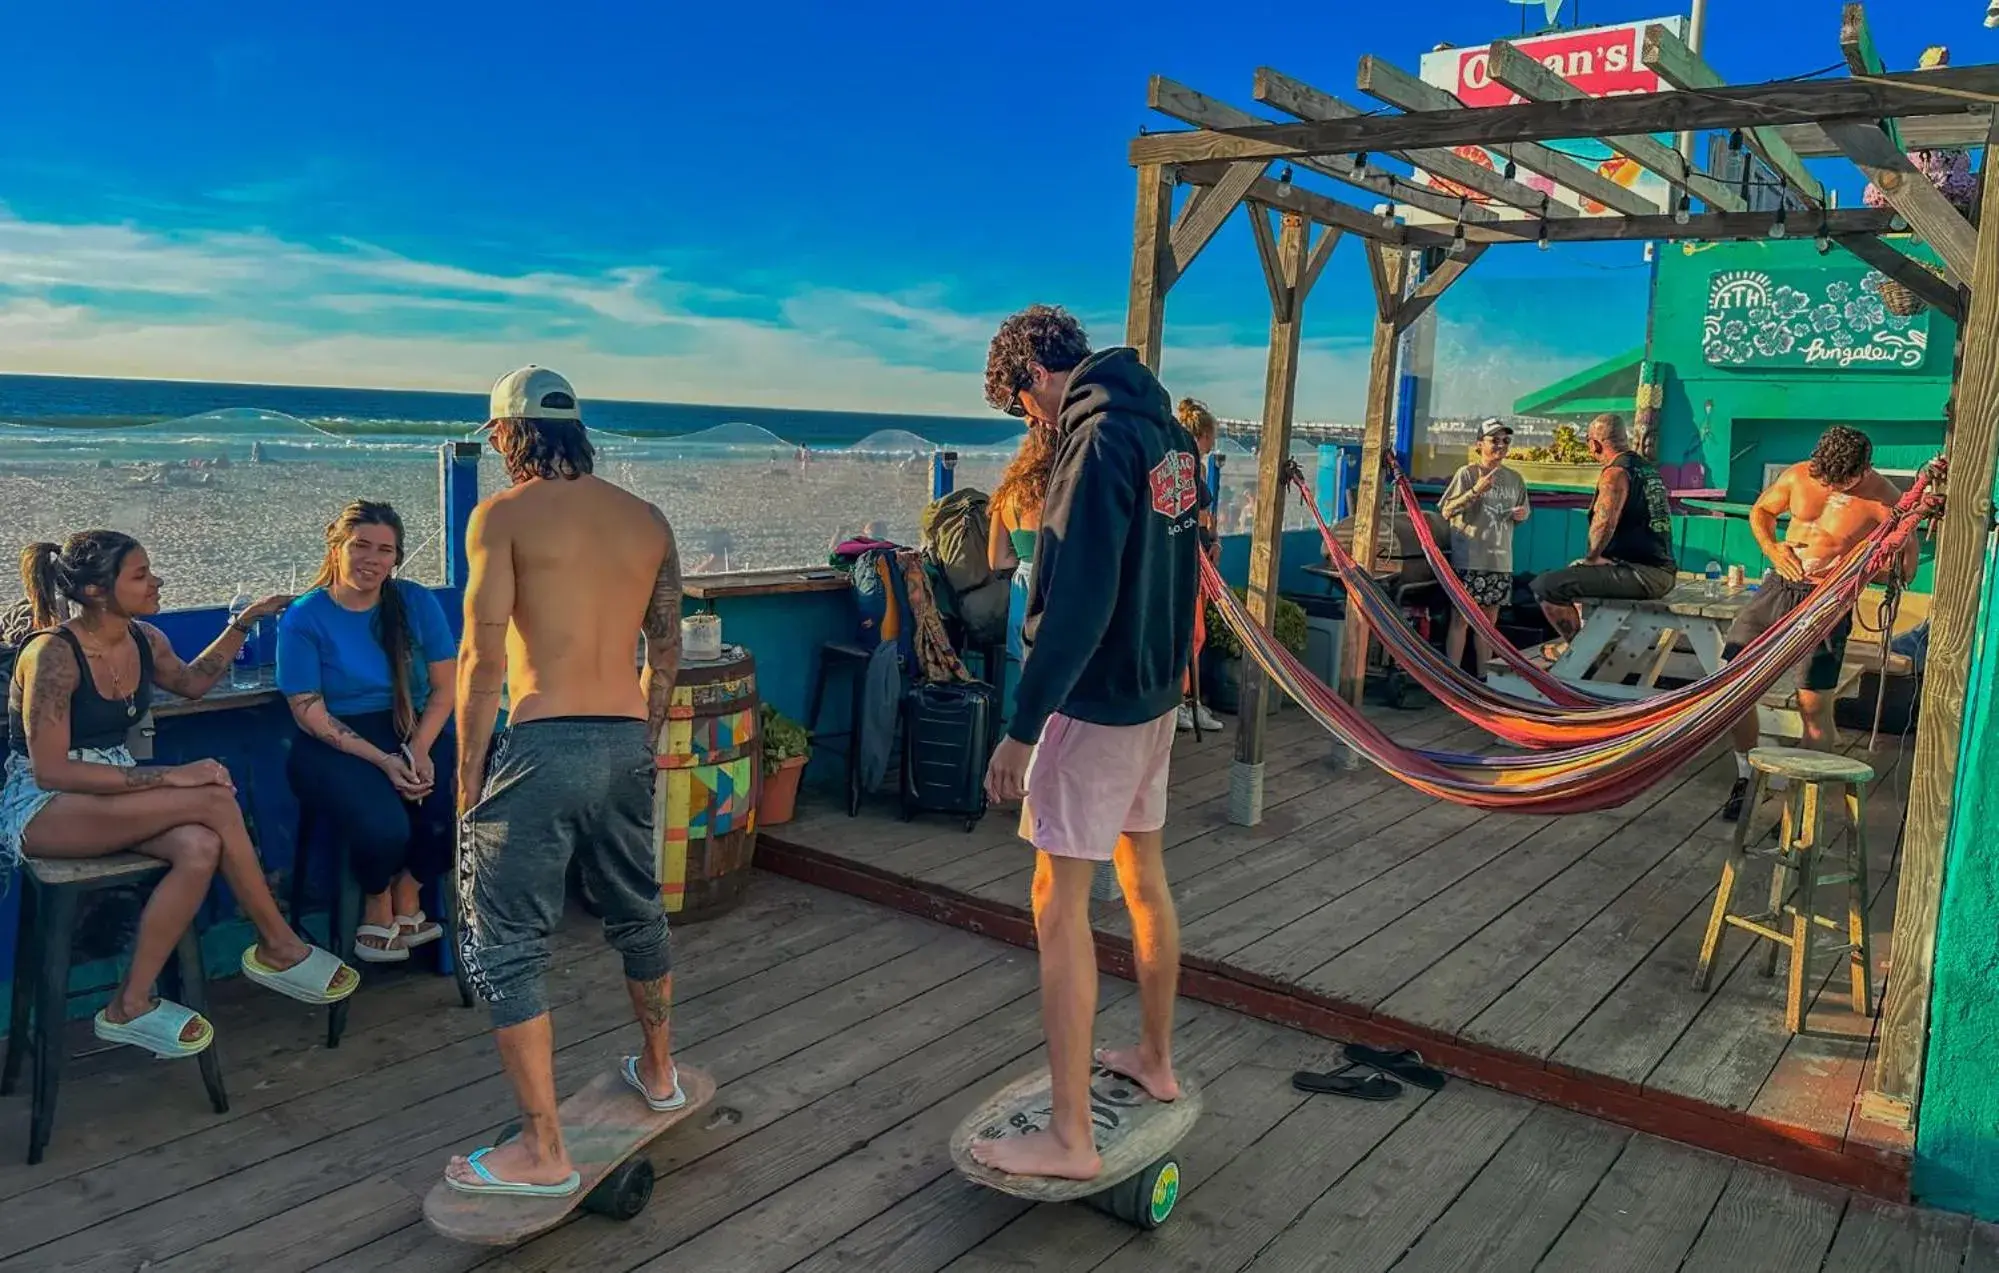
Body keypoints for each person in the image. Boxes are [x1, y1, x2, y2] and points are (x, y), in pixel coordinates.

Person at [974, 305, 1204, 1182]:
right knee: (1142, 878)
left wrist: (1021, 730)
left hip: (1094, 701)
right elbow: (1179, 564)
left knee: (1056, 902)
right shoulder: (1169, 436)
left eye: (1022, 406)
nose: (1032, 423)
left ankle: (1069, 1134)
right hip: (1153, 698)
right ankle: (1155, 1057)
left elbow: (1074, 600)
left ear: (1033, 373)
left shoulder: (1095, 441)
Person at [445, 366, 683, 1199]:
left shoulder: (500, 516)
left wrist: (468, 777)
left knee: (506, 942)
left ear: (506, 436)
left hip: (541, 742)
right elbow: (667, 649)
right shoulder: (645, 519)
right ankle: (659, 1071)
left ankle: (544, 1149)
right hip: (622, 736)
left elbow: (479, 660)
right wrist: (639, 741)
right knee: (636, 906)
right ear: (576, 430)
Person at [0, 532, 357, 1059]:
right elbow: (53, 770)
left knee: (199, 845)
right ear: (98, 590)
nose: (157, 581)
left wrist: (244, 621)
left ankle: (130, 1004)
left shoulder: (144, 638)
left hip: (110, 790)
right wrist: (171, 776)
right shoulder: (54, 654)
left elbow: (192, 683)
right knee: (211, 798)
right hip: (43, 804)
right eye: (141, 575)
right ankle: (279, 944)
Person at [278, 501, 459, 962]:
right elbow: (308, 712)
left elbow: (445, 688)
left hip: (410, 724)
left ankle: (409, 887)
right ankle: (375, 897)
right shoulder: (304, 616)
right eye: (360, 546)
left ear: (396, 557)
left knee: (466, 807)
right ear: (336, 547)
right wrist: (384, 761)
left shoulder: (416, 602)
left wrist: (418, 748)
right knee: (384, 826)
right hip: (334, 740)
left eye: (385, 550)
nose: (372, 559)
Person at [1720, 426, 1918, 821]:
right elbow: (1761, 511)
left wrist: (1857, 568)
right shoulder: (1798, 474)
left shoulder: (1887, 503)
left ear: (1864, 469)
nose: (1828, 486)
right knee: (1731, 682)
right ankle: (1746, 778)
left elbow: (1906, 570)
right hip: (1779, 587)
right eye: (1823, 477)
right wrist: (1773, 548)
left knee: (1813, 706)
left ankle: (1799, 805)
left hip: (1828, 603)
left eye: (1839, 480)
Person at [1528, 413, 1677, 658]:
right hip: (1660, 571)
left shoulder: (1615, 473)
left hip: (1642, 574)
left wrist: (1591, 558)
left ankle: (1579, 652)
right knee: (1575, 580)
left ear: (1594, 444)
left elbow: (1604, 524)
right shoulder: (1646, 469)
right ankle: (1584, 647)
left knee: (1547, 586)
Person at [1439, 418, 1531, 677]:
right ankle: (1453, 680)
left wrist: (1521, 515)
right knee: (1461, 620)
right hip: (1469, 558)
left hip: (1500, 561)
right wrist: (1475, 491)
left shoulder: (1515, 479)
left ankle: (1484, 680)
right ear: (1479, 444)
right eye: (1494, 440)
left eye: (1505, 440)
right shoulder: (1467, 474)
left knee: (1488, 626)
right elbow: (1446, 510)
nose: (1500, 445)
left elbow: (1525, 512)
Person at [1172, 398, 1224, 732]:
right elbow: (1196, 515)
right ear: (1202, 434)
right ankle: (1182, 702)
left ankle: (1190, 701)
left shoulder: (1196, 468)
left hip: (1200, 560)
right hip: (1188, 562)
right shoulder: (1184, 466)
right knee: (1190, 635)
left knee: (1195, 635)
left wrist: (1215, 540)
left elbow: (1206, 517)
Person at [987, 421, 1052, 671]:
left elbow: (997, 560)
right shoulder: (1062, 489)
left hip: (1022, 591)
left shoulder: (1007, 494)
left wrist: (1026, 559)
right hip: (1053, 589)